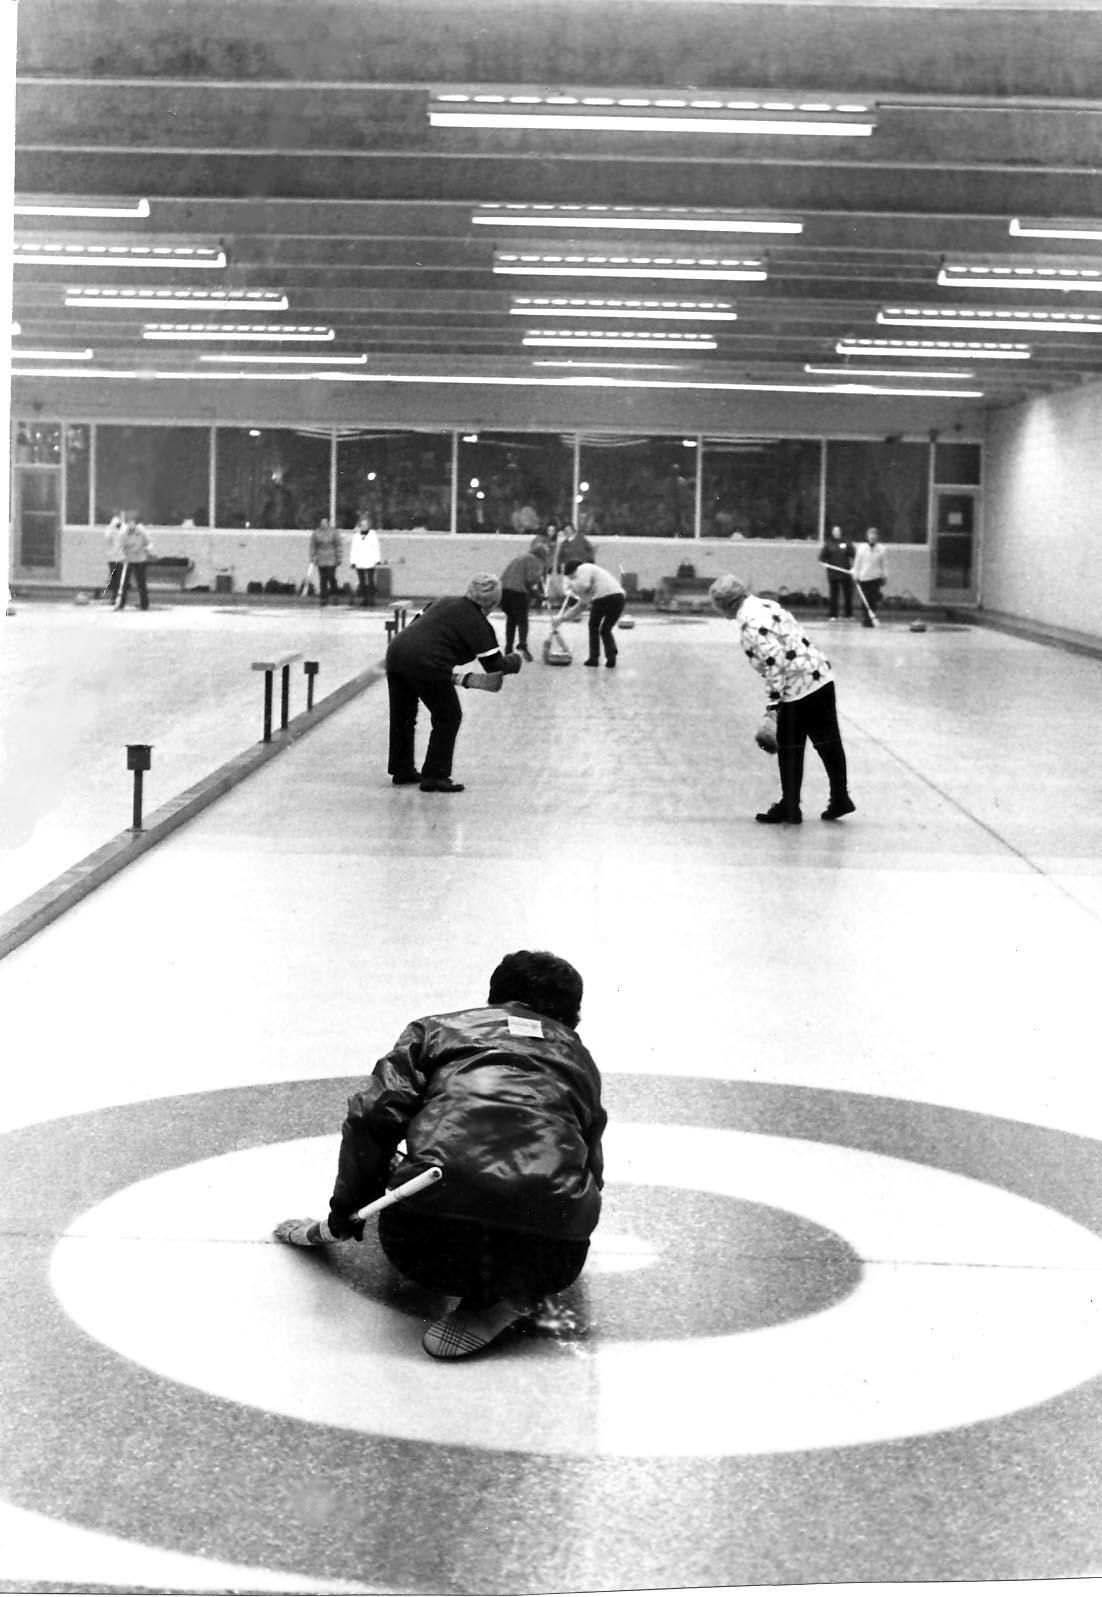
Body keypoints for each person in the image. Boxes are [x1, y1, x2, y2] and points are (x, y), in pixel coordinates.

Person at [274, 949, 606, 1360]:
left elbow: (372, 1115)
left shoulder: (435, 1030)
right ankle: (510, 1295)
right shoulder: (579, 1058)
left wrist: (346, 1210)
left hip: (425, 1247)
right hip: (552, 1259)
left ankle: (484, 1281)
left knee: (416, 1166)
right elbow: (591, 1162)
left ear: (493, 997)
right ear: (573, 1014)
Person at [709, 573, 855, 825]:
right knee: (828, 741)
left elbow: (774, 662)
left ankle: (790, 805)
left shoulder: (748, 625)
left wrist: (773, 705)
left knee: (789, 747)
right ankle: (840, 797)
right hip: (819, 673)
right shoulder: (767, 604)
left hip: (795, 685)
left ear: (727, 604)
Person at [385, 573, 522, 793]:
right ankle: (435, 775)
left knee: (403, 715)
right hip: (429, 663)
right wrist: (515, 660)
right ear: (494, 603)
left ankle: (402, 770)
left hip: (396, 653)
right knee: (448, 716)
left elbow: (416, 627)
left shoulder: (443, 601)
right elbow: (495, 666)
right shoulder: (478, 622)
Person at [558, 559, 626, 669]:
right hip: (619, 599)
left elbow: (583, 585)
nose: (572, 579)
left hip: (604, 597)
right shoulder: (590, 579)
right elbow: (581, 606)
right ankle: (611, 657)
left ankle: (594, 658)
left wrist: (570, 584)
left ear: (575, 570)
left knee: (593, 626)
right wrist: (561, 619)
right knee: (605, 629)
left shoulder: (584, 568)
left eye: (572, 576)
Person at [499, 545, 546, 661]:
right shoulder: (535, 560)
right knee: (522, 620)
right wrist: (538, 595)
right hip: (518, 592)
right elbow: (530, 580)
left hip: (503, 591)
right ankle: (523, 644)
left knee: (511, 619)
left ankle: (508, 648)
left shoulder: (519, 558)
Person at [114, 512, 152, 611]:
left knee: (141, 583)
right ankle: (120, 604)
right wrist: (122, 555)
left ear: (136, 524)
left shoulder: (142, 531)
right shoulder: (124, 533)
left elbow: (149, 543)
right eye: (129, 523)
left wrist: (147, 549)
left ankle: (144, 605)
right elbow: (120, 546)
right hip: (129, 559)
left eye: (133, 523)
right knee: (124, 583)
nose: (131, 526)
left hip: (140, 559)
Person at [852, 527, 888, 627]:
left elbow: (884, 564)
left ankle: (872, 617)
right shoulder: (861, 548)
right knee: (865, 600)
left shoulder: (881, 549)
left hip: (875, 578)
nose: (872, 537)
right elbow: (857, 563)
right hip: (863, 578)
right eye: (870, 535)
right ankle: (866, 618)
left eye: (874, 535)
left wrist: (885, 576)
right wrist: (856, 575)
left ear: (877, 537)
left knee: (873, 599)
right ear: (867, 536)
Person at [818, 524, 854, 621]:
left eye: (838, 531)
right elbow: (821, 558)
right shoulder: (828, 544)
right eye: (835, 531)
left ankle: (848, 615)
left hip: (845, 573)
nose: (837, 533)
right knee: (834, 595)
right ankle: (833, 615)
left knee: (848, 594)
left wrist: (854, 568)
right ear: (832, 532)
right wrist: (824, 563)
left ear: (840, 532)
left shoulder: (846, 542)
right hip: (833, 574)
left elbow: (853, 554)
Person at [348, 518, 383, 608]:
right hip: (359, 562)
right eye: (362, 525)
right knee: (362, 582)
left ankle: (371, 600)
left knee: (370, 582)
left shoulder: (373, 535)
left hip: (370, 561)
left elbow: (376, 547)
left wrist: (377, 559)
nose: (364, 526)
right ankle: (365, 599)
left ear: (368, 526)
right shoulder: (356, 536)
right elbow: (353, 549)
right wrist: (352, 561)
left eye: (365, 525)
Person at [309, 517, 343, 607]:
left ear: (328, 523)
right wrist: (312, 556)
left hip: (332, 558)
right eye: (322, 522)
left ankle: (335, 595)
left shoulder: (334, 532)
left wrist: (339, 557)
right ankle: (323, 598)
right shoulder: (316, 533)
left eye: (325, 522)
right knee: (323, 579)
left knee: (331, 577)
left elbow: (338, 545)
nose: (323, 524)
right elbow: (313, 546)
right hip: (321, 559)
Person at [103, 513, 125, 603]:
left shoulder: (123, 530)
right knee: (114, 579)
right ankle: (114, 597)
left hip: (119, 559)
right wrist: (112, 529)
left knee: (119, 579)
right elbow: (107, 538)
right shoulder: (110, 531)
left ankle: (118, 597)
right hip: (113, 559)